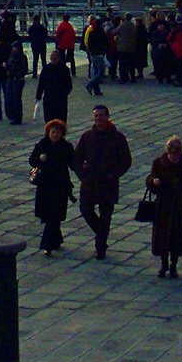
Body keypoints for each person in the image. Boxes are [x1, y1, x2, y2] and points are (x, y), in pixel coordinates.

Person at [72, 104, 132, 259]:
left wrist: (113, 175)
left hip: (108, 183)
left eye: (101, 115)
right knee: (86, 210)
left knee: (106, 216)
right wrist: (82, 175)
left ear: (107, 117)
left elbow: (125, 160)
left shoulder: (118, 137)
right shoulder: (87, 136)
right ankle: (102, 235)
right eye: (96, 116)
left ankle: (100, 246)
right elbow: (77, 158)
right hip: (90, 181)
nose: (98, 118)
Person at [146, 136, 182, 278]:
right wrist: (154, 182)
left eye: (176, 153)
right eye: (172, 153)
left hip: (179, 206)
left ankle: (173, 265)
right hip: (163, 206)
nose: (174, 156)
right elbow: (150, 178)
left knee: (176, 237)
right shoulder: (159, 163)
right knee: (162, 237)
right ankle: (164, 263)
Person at [29, 119, 75, 256]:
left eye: (58, 132)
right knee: (50, 216)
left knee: (54, 216)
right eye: (53, 132)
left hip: (61, 185)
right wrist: (40, 160)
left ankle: (48, 245)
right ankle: (55, 240)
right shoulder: (42, 145)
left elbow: (72, 163)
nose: (55, 135)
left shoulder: (66, 147)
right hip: (45, 185)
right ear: (48, 133)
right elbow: (32, 161)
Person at [35, 48, 73, 126]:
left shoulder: (64, 69)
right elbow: (41, 84)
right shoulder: (46, 69)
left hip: (60, 99)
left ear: (58, 58)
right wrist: (38, 97)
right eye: (51, 59)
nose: (52, 61)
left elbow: (69, 85)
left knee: (60, 120)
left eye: (54, 59)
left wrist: (63, 94)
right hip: (48, 98)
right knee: (49, 120)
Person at [84, 15, 109, 96]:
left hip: (92, 53)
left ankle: (96, 90)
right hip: (99, 54)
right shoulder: (101, 33)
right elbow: (105, 42)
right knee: (101, 72)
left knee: (95, 72)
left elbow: (88, 43)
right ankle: (90, 84)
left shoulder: (91, 32)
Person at [5, 40, 29, 124]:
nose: (13, 49)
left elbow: (24, 70)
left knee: (16, 99)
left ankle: (17, 118)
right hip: (10, 79)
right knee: (9, 98)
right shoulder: (12, 56)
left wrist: (17, 75)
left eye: (14, 48)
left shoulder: (22, 57)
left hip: (17, 80)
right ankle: (12, 115)